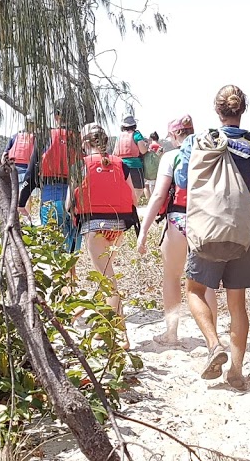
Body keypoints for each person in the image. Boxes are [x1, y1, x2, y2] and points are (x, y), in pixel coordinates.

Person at [174, 85, 250, 389]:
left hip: (206, 229)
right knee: (237, 304)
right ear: (242, 110)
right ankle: (236, 372)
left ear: (217, 111)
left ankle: (213, 345)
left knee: (194, 290)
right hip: (242, 234)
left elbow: (183, 179)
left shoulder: (197, 142)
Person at [136, 115, 217, 345]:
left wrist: (144, 231)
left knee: (171, 277)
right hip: (206, 221)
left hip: (178, 222)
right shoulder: (209, 154)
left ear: (173, 136)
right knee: (206, 282)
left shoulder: (171, 156)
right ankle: (211, 338)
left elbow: (159, 195)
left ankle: (171, 333)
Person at [76, 122, 140, 348]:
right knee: (106, 275)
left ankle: (122, 334)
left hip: (94, 226)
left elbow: (68, 202)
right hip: (119, 226)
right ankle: (103, 328)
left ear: (85, 143)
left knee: (107, 279)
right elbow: (134, 199)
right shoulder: (120, 164)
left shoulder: (81, 164)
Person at [21, 109, 83, 251]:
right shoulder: (81, 139)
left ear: (56, 116)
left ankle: (61, 272)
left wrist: (21, 201)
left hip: (51, 194)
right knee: (72, 251)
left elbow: (31, 172)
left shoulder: (45, 136)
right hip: (77, 198)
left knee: (54, 250)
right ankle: (71, 273)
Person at [112, 115, 148, 205]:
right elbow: (143, 150)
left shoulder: (119, 137)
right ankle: (133, 206)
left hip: (121, 166)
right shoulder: (137, 135)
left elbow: (115, 152)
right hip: (135, 166)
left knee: (124, 189)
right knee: (138, 189)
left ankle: (126, 206)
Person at [6, 117, 37, 217]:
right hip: (28, 176)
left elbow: (5, 155)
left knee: (16, 205)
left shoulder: (14, 136)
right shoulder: (37, 138)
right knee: (28, 207)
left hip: (13, 174)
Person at [142, 131, 163, 199]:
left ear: (151, 138)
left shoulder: (150, 146)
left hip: (149, 170)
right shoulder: (160, 147)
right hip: (157, 169)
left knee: (147, 186)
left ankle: (150, 201)